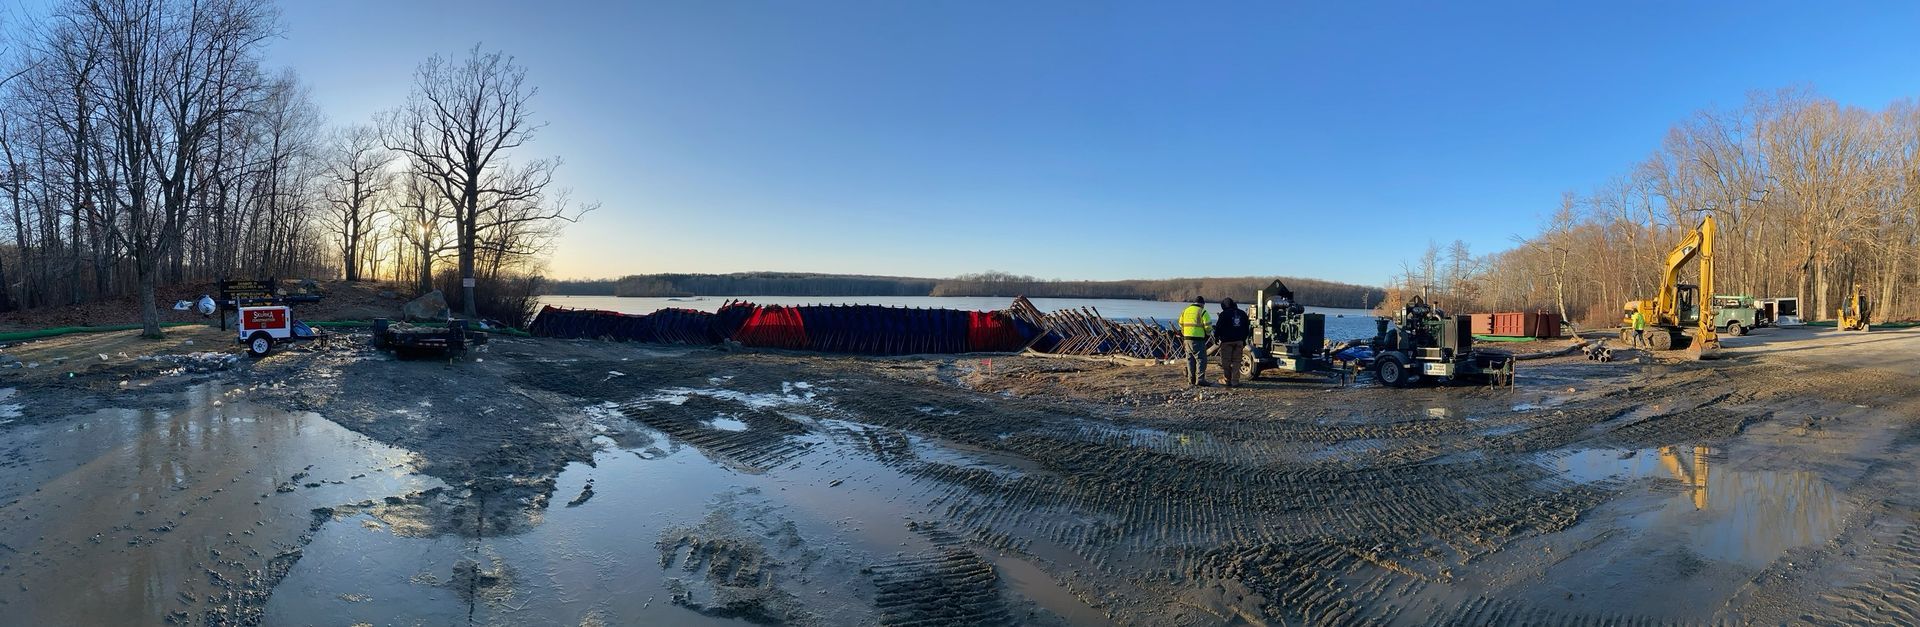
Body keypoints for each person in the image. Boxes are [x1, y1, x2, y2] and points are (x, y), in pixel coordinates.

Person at [1214, 298, 1251, 387]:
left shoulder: (1223, 314)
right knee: (1237, 361)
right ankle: (1235, 381)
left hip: (1226, 341)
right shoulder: (1242, 314)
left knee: (1226, 362)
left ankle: (1227, 379)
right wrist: (1244, 340)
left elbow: (1218, 327)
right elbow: (1247, 328)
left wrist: (1216, 337)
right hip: (1239, 341)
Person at [1178, 296, 1212, 386]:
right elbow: (1208, 326)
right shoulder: (1202, 311)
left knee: (1190, 359)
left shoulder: (1185, 310)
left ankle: (1191, 380)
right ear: (1202, 304)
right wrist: (1208, 333)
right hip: (1198, 339)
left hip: (1187, 339)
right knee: (1201, 359)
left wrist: (1184, 332)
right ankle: (1200, 379)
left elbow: (1180, 323)